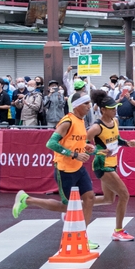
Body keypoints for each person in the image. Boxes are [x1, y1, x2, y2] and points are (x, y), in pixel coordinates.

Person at [12, 90, 99, 250]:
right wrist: (74, 154)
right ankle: (27, 200)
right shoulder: (67, 121)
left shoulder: (81, 121)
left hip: (78, 169)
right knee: (67, 207)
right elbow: (50, 144)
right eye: (86, 103)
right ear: (78, 105)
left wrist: (86, 148)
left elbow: (75, 143)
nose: (89, 106)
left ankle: (83, 237)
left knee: (90, 198)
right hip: (64, 169)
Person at [87, 90, 135, 242]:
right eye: (112, 108)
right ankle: (119, 231)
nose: (115, 110)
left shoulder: (115, 121)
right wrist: (99, 151)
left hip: (112, 163)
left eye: (116, 107)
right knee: (124, 195)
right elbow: (84, 144)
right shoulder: (96, 127)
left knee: (109, 199)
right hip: (102, 165)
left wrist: (127, 143)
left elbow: (116, 139)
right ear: (103, 110)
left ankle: (75, 206)